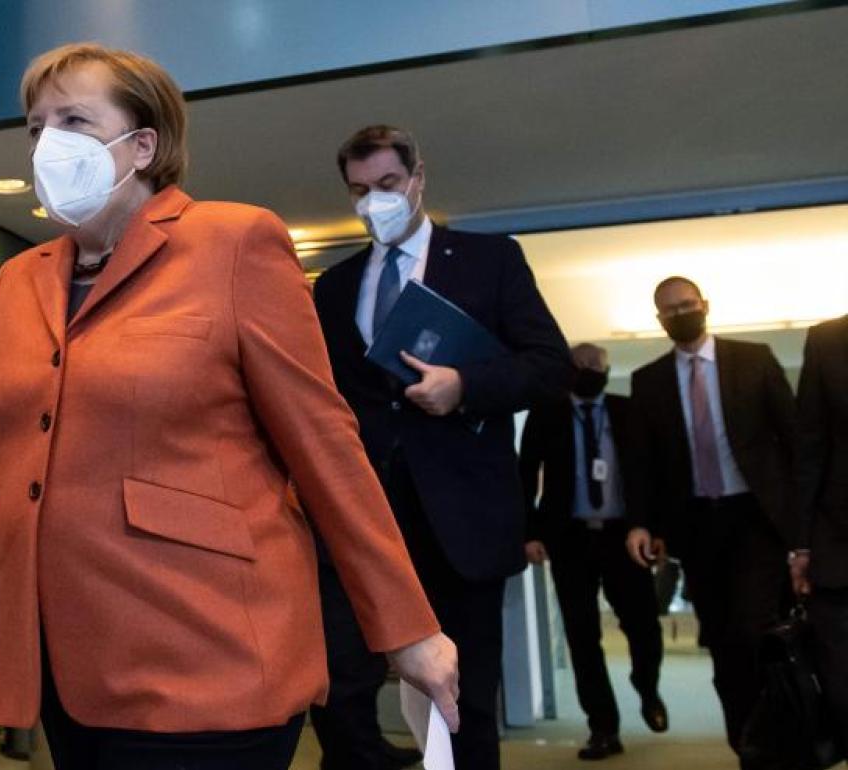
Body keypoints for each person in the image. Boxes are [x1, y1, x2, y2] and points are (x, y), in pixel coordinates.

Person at [0, 44, 460, 770]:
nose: (47, 144)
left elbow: (324, 446)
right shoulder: (18, 281)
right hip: (65, 666)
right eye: (36, 127)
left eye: (74, 121)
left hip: (210, 651)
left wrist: (406, 627)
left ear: (143, 145)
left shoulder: (234, 242)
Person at [311, 124, 572, 770]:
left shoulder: (490, 260)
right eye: (360, 190)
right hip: (366, 521)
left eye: (388, 184)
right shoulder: (334, 287)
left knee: (465, 702)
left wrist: (465, 386)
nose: (375, 200)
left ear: (419, 178)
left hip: (462, 521)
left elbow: (549, 366)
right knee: (342, 687)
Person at [626, 276, 795, 767]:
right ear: (659, 319)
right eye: (669, 310)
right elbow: (643, 464)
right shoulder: (648, 381)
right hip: (697, 527)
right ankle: (747, 744)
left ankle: (774, 739)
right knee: (723, 643)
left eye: (687, 305)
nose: (680, 314)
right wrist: (641, 523)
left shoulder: (754, 360)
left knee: (750, 630)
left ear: (705, 305)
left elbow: (791, 438)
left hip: (755, 518)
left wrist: (802, 529)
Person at [519, 343, 666, 760]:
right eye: (580, 365)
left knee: (644, 627)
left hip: (625, 538)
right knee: (582, 636)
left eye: (595, 365)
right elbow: (524, 474)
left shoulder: (630, 411)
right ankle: (603, 727)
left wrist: (654, 529)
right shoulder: (546, 414)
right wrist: (529, 533)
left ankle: (647, 685)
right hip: (570, 540)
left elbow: (653, 474)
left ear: (607, 369)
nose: (588, 370)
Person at [790, 314, 848, 751]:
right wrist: (801, 544)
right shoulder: (828, 341)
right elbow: (809, 446)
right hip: (837, 538)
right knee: (841, 677)